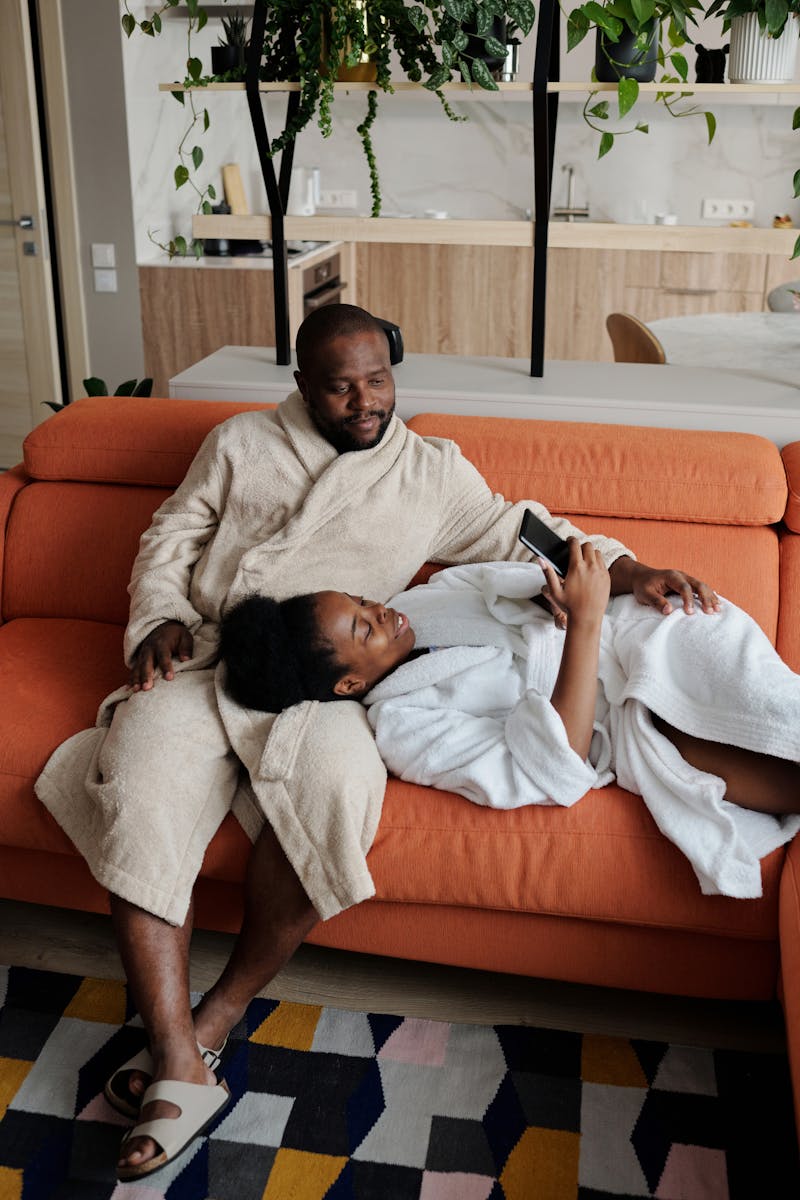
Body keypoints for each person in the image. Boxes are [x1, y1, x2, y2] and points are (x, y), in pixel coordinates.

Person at [34, 303, 717, 1181]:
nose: (365, 402)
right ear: (302, 386)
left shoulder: (428, 471)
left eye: (378, 379)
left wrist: (631, 571)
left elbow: (528, 530)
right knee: (137, 781)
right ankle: (173, 1055)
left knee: (335, 797)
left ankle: (215, 1020)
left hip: (332, 685)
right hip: (210, 658)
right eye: (339, 386)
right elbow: (171, 536)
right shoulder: (240, 444)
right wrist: (157, 620)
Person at [219, 540, 800, 900]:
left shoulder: (425, 600)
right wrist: (586, 622)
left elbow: (541, 574)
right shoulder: (405, 727)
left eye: (360, 601)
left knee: (747, 695)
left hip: (653, 629)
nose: (381, 611)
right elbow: (555, 769)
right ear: (349, 684)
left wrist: (620, 580)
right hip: (632, 711)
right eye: (363, 629)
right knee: (678, 732)